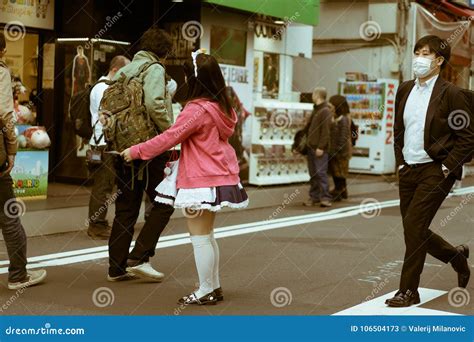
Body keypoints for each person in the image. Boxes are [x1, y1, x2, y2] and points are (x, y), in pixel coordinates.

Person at [121, 50, 249, 305]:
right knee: (208, 235)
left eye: (188, 76)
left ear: (195, 79)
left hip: (200, 178)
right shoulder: (222, 106)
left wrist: (135, 151)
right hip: (218, 174)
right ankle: (213, 286)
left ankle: (205, 290)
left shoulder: (196, 110)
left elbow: (169, 137)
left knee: (200, 238)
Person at [386, 35, 473, 307]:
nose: (419, 58)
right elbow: (398, 129)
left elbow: (468, 136)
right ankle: (456, 256)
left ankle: (409, 291)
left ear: (438, 61)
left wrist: (448, 166)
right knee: (413, 228)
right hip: (408, 169)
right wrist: (400, 161)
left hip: (436, 169)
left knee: (414, 226)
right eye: (417, 52)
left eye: (426, 54)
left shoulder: (451, 93)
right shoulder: (404, 89)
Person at [106, 27, 175, 282]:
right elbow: (154, 104)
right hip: (148, 148)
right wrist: (171, 132)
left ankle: (116, 267)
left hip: (122, 147)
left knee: (126, 207)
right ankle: (140, 256)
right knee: (165, 200)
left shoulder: (124, 70)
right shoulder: (154, 69)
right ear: (164, 52)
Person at [0, 32, 47, 290]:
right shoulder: (1, 72)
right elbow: (6, 114)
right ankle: (18, 275)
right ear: (2, 51)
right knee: (8, 215)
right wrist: (11, 149)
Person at [87, 55, 130, 240]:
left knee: (104, 185)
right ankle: (96, 225)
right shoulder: (104, 88)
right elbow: (109, 117)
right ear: (115, 70)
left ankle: (98, 223)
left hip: (100, 143)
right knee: (103, 186)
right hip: (103, 143)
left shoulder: (101, 86)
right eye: (124, 72)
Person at [303, 87, 332, 207]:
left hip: (319, 148)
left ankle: (325, 197)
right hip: (312, 146)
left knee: (320, 173)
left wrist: (321, 147)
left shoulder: (324, 111)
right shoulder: (317, 109)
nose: (312, 96)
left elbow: (326, 132)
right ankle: (314, 196)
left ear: (317, 95)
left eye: (314, 94)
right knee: (313, 173)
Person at [328, 95, 352, 201]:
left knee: (339, 172)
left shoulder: (344, 119)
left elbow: (343, 136)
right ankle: (342, 191)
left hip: (341, 151)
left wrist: (337, 149)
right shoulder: (340, 117)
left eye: (332, 105)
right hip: (339, 150)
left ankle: (340, 191)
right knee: (338, 172)